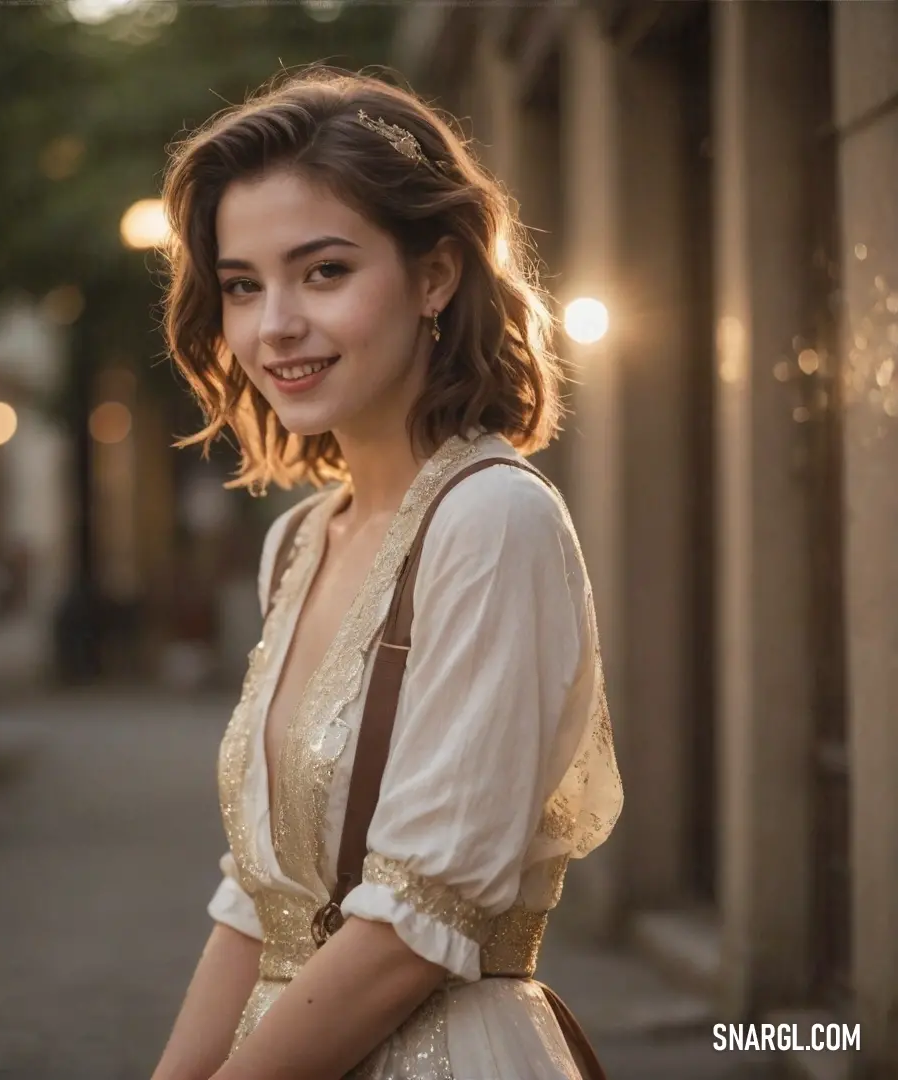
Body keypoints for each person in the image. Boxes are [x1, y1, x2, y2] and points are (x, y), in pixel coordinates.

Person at [150, 67, 623, 1080]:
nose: (274, 324)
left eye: (323, 272)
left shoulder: (493, 521)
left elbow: (415, 927)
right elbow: (260, 901)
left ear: (435, 276)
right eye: (242, 285)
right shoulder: (299, 542)